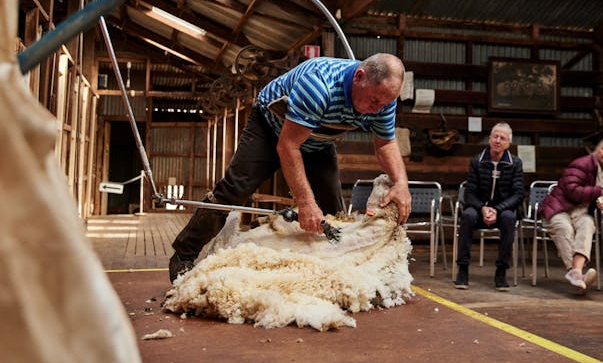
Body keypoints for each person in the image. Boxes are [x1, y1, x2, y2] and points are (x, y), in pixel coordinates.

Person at [169, 53, 412, 283]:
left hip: (318, 140)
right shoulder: (319, 83)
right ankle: (184, 254)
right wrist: (305, 202)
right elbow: (288, 146)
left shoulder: (383, 98)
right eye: (374, 101)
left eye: (385, 104)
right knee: (236, 188)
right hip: (271, 129)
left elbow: (386, 143)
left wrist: (401, 183)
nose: (378, 109)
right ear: (359, 77)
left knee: (331, 212)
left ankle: (326, 272)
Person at [538, 137, 603, 291]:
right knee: (564, 228)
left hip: (582, 212)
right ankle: (575, 272)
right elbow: (572, 190)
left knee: (588, 225)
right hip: (559, 208)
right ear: (596, 149)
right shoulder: (582, 163)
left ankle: (576, 273)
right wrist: (597, 191)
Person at [454, 122, 524, 291]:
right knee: (468, 216)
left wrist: (497, 210)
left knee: (509, 218)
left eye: (502, 138)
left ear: (508, 143)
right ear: (490, 138)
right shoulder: (477, 160)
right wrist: (483, 208)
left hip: (502, 210)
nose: (498, 141)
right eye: (495, 136)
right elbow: (469, 192)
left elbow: (518, 194)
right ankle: (463, 269)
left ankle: (501, 271)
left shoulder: (515, 163)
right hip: (479, 209)